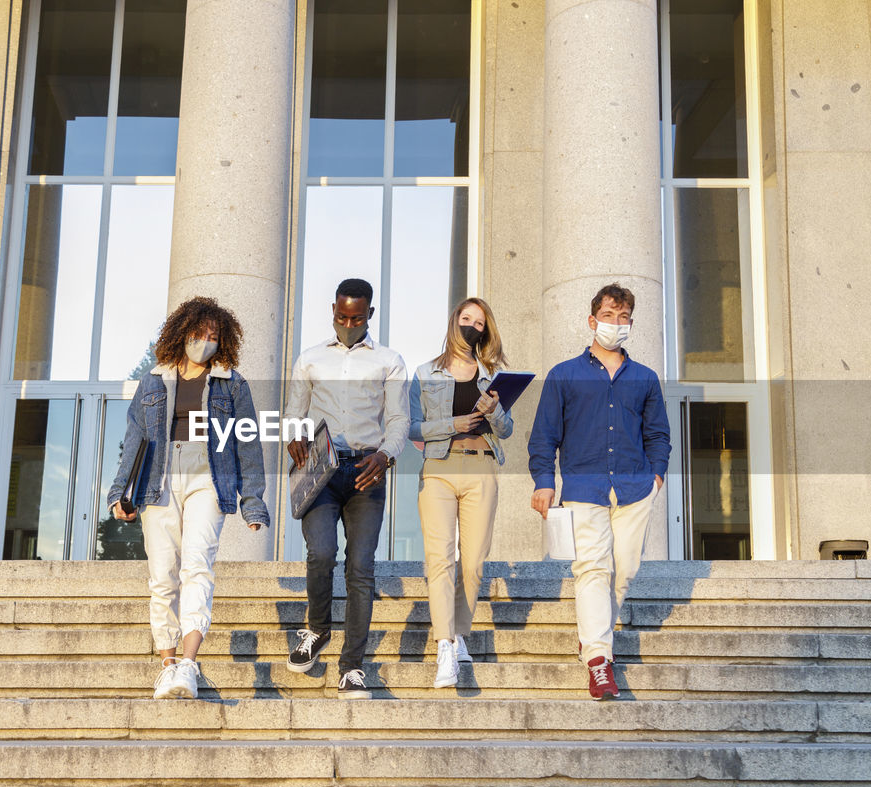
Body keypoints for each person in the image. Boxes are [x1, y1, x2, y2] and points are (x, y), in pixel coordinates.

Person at [108, 296, 269, 700]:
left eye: (214, 336)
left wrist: (252, 500)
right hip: (158, 478)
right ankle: (167, 664)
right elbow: (134, 440)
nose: (206, 342)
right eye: (199, 334)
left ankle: (189, 663)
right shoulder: (153, 380)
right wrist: (117, 492)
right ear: (183, 333)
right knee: (162, 574)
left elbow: (246, 443)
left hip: (208, 474)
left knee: (198, 565)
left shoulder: (233, 383)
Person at [527, 283, 670, 700]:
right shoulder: (564, 375)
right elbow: (544, 436)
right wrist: (543, 480)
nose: (616, 324)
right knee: (592, 569)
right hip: (583, 487)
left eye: (624, 318)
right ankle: (598, 662)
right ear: (593, 321)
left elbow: (658, 435)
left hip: (634, 488)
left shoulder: (645, 378)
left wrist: (655, 479)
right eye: (609, 316)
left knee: (624, 570)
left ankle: (592, 635)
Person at [283, 278, 409, 699]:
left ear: (370, 314)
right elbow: (293, 414)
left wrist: (385, 456)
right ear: (332, 311)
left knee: (361, 567)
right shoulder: (311, 359)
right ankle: (317, 630)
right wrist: (294, 436)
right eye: (341, 316)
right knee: (321, 553)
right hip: (319, 470)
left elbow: (398, 420)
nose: (348, 323)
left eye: (357, 318)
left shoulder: (389, 361)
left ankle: (352, 667)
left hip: (366, 472)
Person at [409, 298, 513, 689]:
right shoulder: (425, 372)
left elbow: (506, 431)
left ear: (485, 330)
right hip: (439, 467)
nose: (471, 325)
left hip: (482, 467)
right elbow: (412, 428)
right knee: (440, 560)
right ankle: (444, 646)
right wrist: (453, 423)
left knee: (473, 563)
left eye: (479, 322)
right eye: (466, 318)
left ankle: (460, 632)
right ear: (454, 321)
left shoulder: (492, 375)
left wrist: (493, 411)